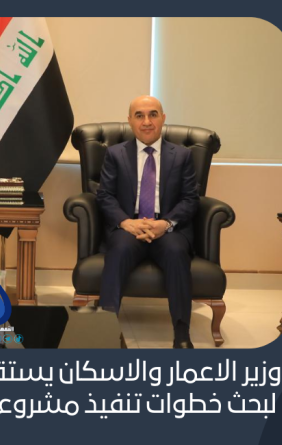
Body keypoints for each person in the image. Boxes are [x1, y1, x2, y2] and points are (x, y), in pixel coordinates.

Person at [96, 95, 199, 348]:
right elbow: (105, 195)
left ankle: (182, 334)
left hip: (167, 228)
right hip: (129, 227)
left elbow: (190, 199)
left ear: (163, 119)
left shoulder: (182, 155)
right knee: (118, 250)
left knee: (176, 252)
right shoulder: (115, 154)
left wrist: (167, 223)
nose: (147, 121)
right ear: (130, 121)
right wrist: (125, 222)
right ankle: (105, 332)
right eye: (139, 116)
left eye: (153, 114)